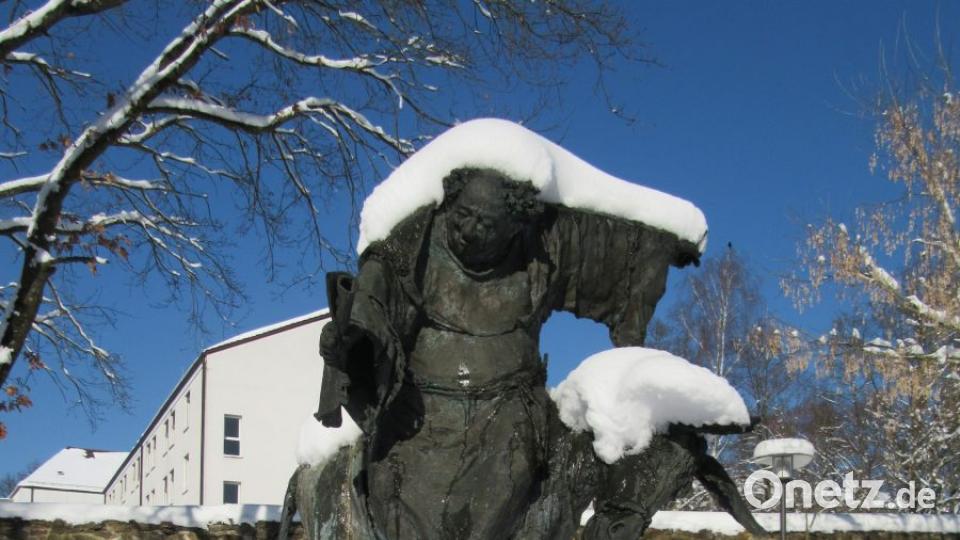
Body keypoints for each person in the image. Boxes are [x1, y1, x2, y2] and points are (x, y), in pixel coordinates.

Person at [309, 166, 701, 539]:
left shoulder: (542, 246)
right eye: (463, 215)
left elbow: (607, 237)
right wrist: (350, 339)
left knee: (530, 483)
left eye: (488, 224)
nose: (471, 230)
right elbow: (371, 306)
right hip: (418, 420)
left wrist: (661, 249)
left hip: (507, 420)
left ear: (516, 226)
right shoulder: (413, 244)